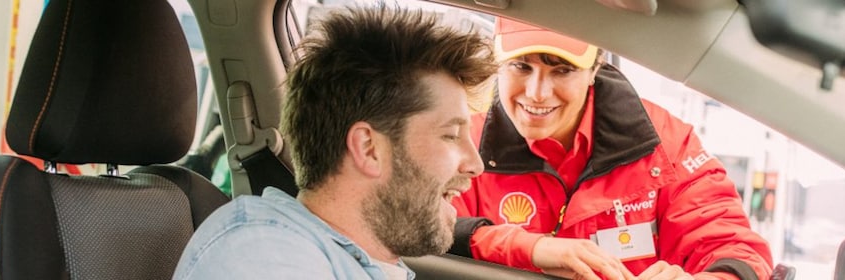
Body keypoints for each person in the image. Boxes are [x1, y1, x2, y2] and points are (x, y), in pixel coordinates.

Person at [173, 7, 495, 279]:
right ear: (368, 148)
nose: (475, 164)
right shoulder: (261, 254)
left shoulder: (357, 260)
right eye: (450, 135)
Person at [449, 18, 774, 280]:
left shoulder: (665, 145)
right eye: (521, 66)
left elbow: (739, 256)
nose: (537, 93)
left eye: (562, 69)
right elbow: (424, 230)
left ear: (595, 69)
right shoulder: (461, 143)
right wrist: (531, 248)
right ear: (498, 64)